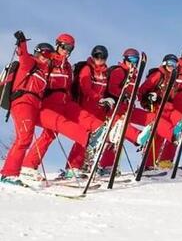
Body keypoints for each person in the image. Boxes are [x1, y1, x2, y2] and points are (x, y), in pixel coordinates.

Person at [22, 32, 104, 179]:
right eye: (65, 47)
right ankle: (28, 166)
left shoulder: (66, 66)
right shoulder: (49, 61)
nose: (67, 50)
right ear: (58, 45)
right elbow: (31, 65)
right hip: (49, 104)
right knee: (49, 135)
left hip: (65, 102)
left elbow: (70, 86)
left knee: (50, 135)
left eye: (70, 48)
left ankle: (99, 132)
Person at [1, 34, 55, 184]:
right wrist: (22, 42)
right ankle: (9, 174)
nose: (47, 57)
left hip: (33, 106)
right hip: (23, 103)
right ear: (38, 52)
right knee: (24, 138)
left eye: (50, 55)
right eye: (44, 53)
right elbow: (23, 55)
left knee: (23, 138)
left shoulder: (43, 72)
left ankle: (10, 172)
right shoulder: (30, 63)